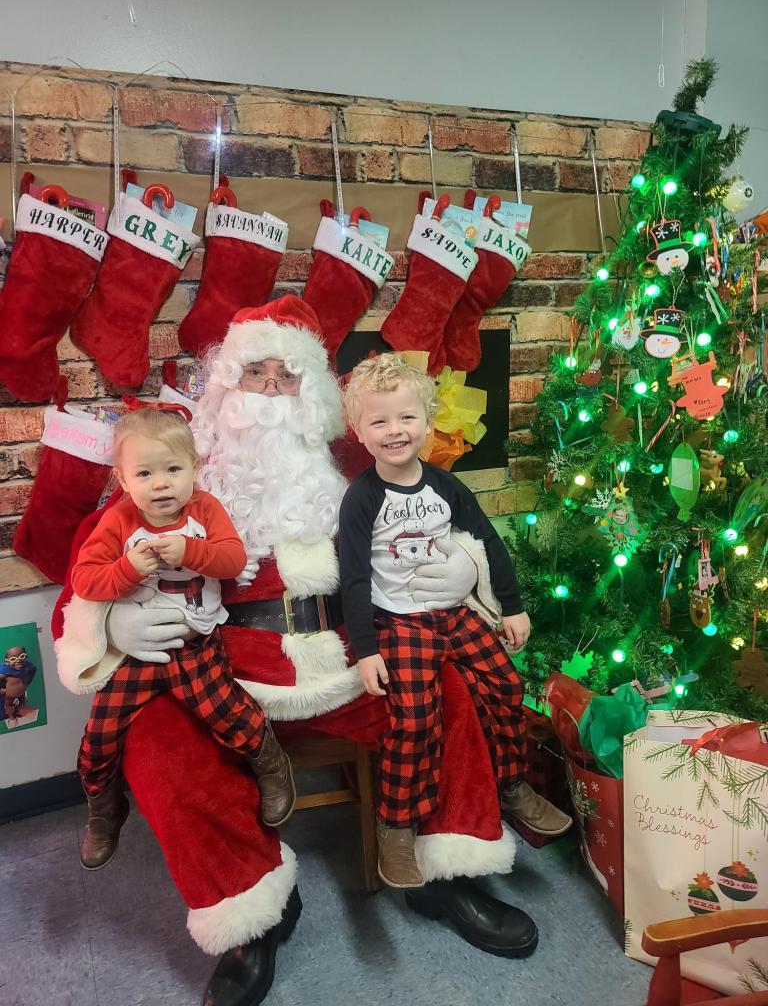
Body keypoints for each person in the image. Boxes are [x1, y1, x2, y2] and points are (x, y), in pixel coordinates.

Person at [53, 296, 554, 1006]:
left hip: (353, 658)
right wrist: (111, 629)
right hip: (224, 670)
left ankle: (450, 877)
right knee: (155, 742)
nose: (266, 391)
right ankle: (250, 912)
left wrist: (468, 570)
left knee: (447, 690)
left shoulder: (355, 459)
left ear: (312, 391)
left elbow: (447, 513)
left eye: (284, 376)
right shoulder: (177, 477)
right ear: (224, 391)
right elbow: (81, 578)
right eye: (251, 374)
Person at [340, 353, 571, 890]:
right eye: (379, 421)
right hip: (399, 623)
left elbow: (487, 543)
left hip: (454, 613)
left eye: (406, 418)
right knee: (416, 717)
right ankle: (397, 825)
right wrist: (367, 647)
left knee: (506, 685)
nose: (395, 432)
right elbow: (352, 577)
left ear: (428, 419)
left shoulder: (445, 485)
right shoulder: (362, 499)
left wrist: (510, 606)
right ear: (358, 430)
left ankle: (512, 785)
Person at [65, 406, 296, 871]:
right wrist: (129, 569)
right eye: (145, 473)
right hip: (136, 653)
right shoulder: (120, 521)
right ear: (124, 480)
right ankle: (104, 806)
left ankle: (271, 764)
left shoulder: (205, 510)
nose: (162, 484)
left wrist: (193, 550)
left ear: (195, 468)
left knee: (227, 711)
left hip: (194, 642)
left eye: (173, 469)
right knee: (100, 735)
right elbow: (84, 580)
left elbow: (231, 561)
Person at [0, 645, 37, 720]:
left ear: (26, 656)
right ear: (7, 662)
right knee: (9, 707)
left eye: (21, 656)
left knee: (22, 704)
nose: (18, 661)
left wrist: (27, 683)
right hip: (9, 695)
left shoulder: (28, 667)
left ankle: (21, 713)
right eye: (13, 659)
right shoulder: (5, 671)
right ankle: (11, 718)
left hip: (21, 694)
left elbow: (33, 670)